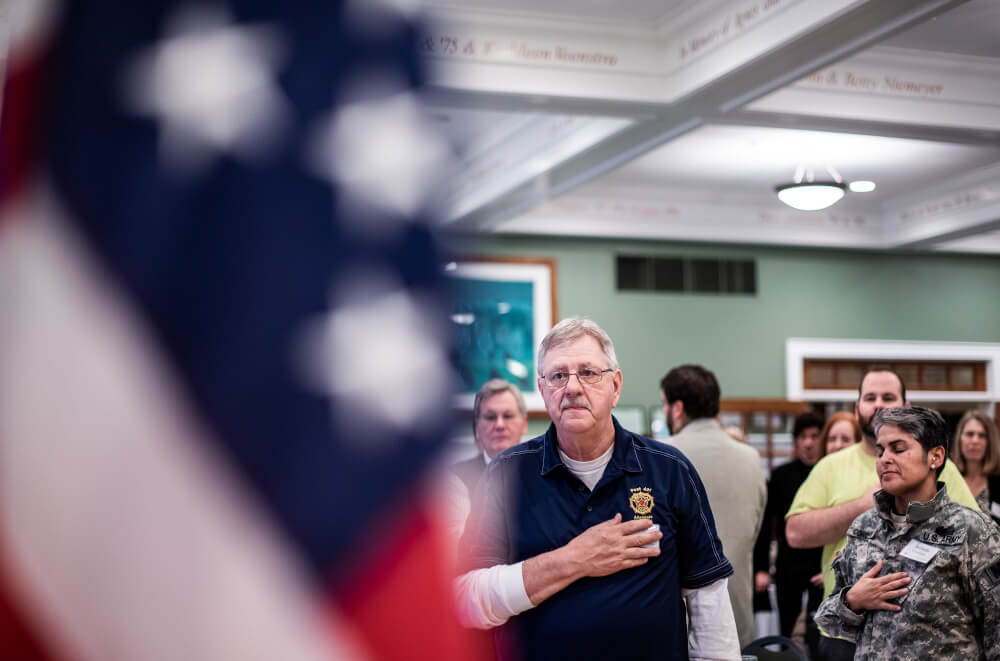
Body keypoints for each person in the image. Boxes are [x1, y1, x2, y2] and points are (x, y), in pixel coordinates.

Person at [455, 318, 739, 660]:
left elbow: (708, 601)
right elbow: (466, 599)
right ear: (543, 390)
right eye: (558, 376)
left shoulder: (670, 471)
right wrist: (573, 560)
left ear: (615, 386)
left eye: (588, 373)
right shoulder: (506, 474)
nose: (573, 387)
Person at [785, 368, 979, 661]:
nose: (878, 404)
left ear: (906, 406)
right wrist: (861, 506)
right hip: (846, 632)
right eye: (870, 397)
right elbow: (795, 533)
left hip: (925, 637)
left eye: (888, 397)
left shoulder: (938, 466)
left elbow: (973, 538)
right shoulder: (830, 466)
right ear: (857, 408)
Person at [814, 406, 1000, 659]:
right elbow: (828, 621)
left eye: (898, 449)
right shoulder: (863, 528)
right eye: (880, 451)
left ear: (935, 457)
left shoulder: (973, 531)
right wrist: (852, 601)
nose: (884, 459)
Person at [662, 364, 766, 650]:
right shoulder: (751, 459)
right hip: (738, 617)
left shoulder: (660, 460)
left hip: (680, 623)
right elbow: (754, 531)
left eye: (663, 404)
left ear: (677, 408)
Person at [752, 412, 825, 649]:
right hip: (788, 564)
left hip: (821, 563)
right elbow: (765, 524)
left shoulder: (828, 472)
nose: (808, 443)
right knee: (786, 632)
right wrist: (761, 568)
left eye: (814, 436)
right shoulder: (782, 475)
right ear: (796, 441)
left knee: (820, 632)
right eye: (803, 437)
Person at [452, 379, 529, 496]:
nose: (499, 425)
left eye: (508, 416)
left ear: (524, 424)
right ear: (477, 427)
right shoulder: (454, 480)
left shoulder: (541, 474)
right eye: (490, 417)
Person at [950, 409, 1000, 525]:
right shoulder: (947, 479)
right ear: (960, 438)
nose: (975, 440)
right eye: (970, 434)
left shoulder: (998, 483)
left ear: (990, 442)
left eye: (982, 435)